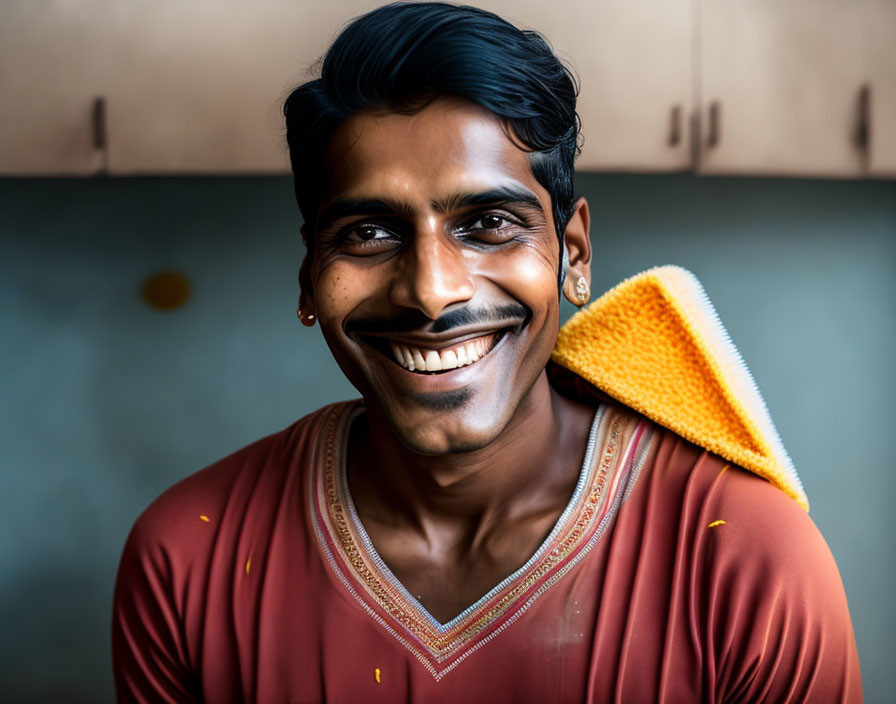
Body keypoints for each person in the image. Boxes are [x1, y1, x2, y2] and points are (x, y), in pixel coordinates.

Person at [112, 3, 861, 702]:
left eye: (490, 222)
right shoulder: (188, 559)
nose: (432, 293)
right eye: (370, 232)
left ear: (573, 254)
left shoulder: (744, 559)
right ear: (310, 275)